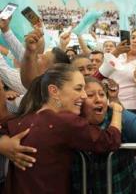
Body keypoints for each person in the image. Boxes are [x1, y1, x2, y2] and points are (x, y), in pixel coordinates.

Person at [0, 64, 122, 194]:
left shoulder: (22, 119)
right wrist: (118, 111)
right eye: (78, 89)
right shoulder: (65, 121)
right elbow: (109, 140)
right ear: (54, 91)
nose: (84, 95)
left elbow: (4, 127)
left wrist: (3, 142)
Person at [99, 27, 136, 112]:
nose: (135, 41)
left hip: (131, 109)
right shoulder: (118, 56)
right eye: (132, 37)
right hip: (110, 105)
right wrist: (116, 52)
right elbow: (101, 72)